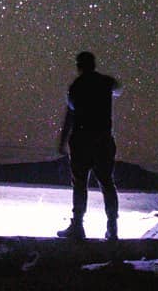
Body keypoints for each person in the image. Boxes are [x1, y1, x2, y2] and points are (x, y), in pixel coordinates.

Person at [57, 51, 122, 241]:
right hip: (103, 139)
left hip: (82, 140)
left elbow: (70, 115)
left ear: (79, 66)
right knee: (107, 183)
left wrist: (62, 141)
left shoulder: (76, 86)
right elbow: (118, 88)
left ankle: (77, 226)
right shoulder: (106, 82)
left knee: (80, 183)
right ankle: (112, 228)